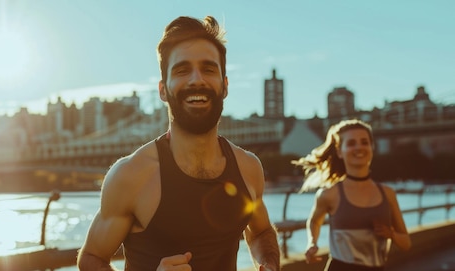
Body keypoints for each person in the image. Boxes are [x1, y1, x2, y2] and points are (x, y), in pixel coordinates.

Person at [77, 15, 280, 271]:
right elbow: (91, 259)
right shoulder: (131, 175)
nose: (197, 80)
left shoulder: (248, 168)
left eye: (208, 69)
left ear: (224, 85)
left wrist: (268, 264)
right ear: (163, 90)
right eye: (182, 70)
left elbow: (261, 233)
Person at [292, 119, 411, 271]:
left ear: (372, 147)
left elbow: (406, 243)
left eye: (364, 142)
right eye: (351, 143)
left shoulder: (388, 194)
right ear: (339, 151)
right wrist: (312, 243)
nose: (359, 147)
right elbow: (314, 221)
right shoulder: (329, 194)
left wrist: (391, 234)